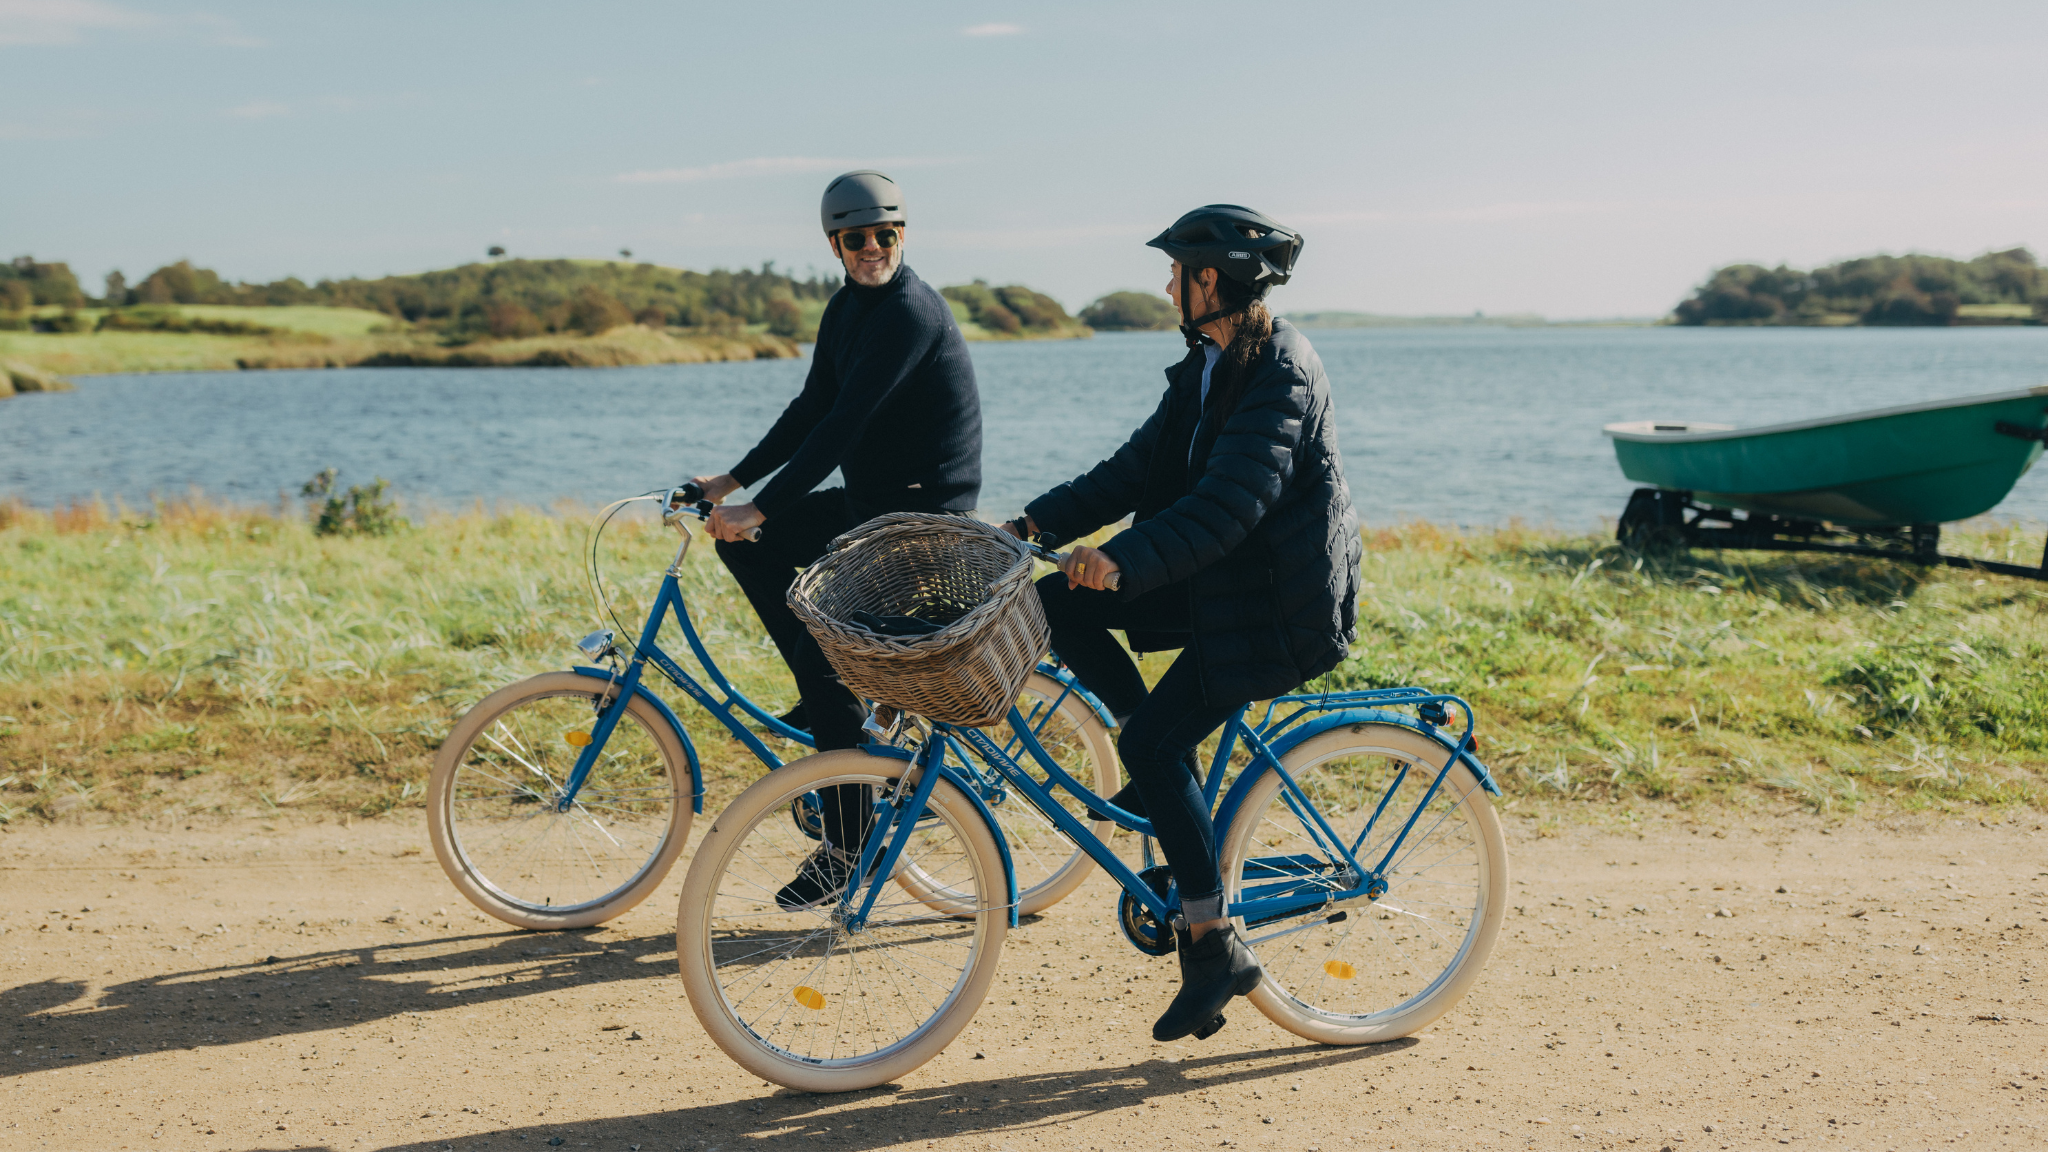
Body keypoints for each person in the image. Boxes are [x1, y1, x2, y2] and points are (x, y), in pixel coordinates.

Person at [1004, 205, 1361, 1042]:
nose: (1166, 285)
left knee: (1156, 747)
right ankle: (1156, 750)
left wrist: (1123, 558)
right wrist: (1028, 528)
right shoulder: (1209, 364)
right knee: (1056, 603)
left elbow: (1229, 506)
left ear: (1212, 281)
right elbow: (1131, 471)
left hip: (1279, 608)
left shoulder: (1281, 371)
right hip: (1222, 581)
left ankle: (1213, 948)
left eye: (1176, 272)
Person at [691, 169, 982, 910]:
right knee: (743, 546)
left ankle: (847, 848)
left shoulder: (910, 314)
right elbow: (812, 406)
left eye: (887, 235)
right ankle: (830, 703)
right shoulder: (848, 307)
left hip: (921, 517)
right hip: (872, 503)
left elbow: (842, 427)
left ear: (902, 236)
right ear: (835, 244)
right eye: (857, 239)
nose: (873, 249)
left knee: (824, 651)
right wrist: (733, 482)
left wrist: (764, 505)